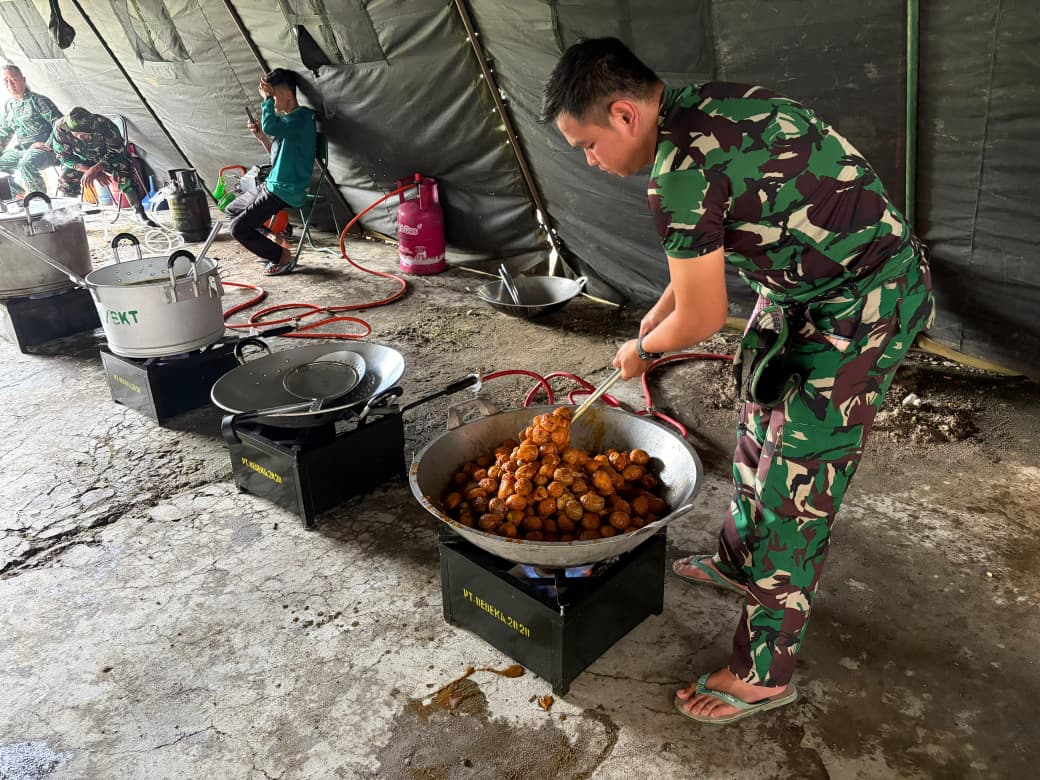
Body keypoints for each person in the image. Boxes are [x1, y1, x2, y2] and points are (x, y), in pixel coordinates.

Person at [542, 38, 934, 724]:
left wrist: (643, 352)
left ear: (626, 115)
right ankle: (738, 559)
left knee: (798, 489)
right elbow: (689, 266)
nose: (590, 160)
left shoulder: (680, 174)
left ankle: (764, 672)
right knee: (758, 414)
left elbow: (701, 315)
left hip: (867, 300)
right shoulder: (705, 106)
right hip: (797, 286)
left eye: (587, 144)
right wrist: (645, 329)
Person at [227, 68, 316, 276]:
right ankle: (274, 241)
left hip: (286, 190)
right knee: (232, 210)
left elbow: (269, 124)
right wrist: (261, 138)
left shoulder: (302, 119)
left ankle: (281, 256)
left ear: (287, 93)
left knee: (237, 229)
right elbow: (276, 159)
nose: (272, 102)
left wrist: (266, 100)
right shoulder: (288, 123)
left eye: (273, 96)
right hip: (272, 185)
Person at [48, 106, 157, 227]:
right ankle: (68, 219)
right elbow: (64, 157)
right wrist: (90, 170)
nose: (87, 138)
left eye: (89, 134)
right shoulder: (60, 129)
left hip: (108, 158)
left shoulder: (104, 124)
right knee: (66, 179)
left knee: (123, 169)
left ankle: (139, 213)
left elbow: (117, 150)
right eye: (81, 135)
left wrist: (97, 168)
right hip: (83, 161)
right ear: (72, 132)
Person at [0, 64, 61, 196]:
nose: (10, 84)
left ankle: (39, 203)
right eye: (6, 81)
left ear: (23, 80)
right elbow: (4, 132)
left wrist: (48, 144)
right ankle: (18, 198)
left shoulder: (38, 101)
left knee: (25, 164)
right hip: (23, 150)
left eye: (13, 80)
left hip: (48, 151)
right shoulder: (9, 105)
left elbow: (60, 124)